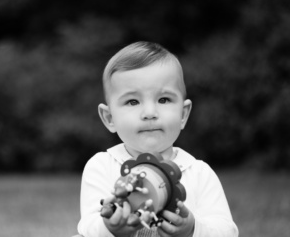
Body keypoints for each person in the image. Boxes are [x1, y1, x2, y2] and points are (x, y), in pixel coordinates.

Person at [76, 41, 238, 237]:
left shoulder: (198, 173)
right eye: (133, 101)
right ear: (109, 118)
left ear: (183, 114)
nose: (150, 113)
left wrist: (193, 228)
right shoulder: (102, 166)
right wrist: (109, 227)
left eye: (163, 100)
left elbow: (227, 231)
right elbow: (89, 225)